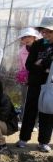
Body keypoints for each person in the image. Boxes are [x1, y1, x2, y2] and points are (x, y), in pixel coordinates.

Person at [17, 21, 53, 152]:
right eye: (43, 31)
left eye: (48, 31)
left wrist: (41, 62)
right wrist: (45, 66)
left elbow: (48, 66)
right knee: (29, 110)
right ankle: (23, 138)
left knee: (47, 113)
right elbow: (29, 65)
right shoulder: (37, 44)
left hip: (49, 85)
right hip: (34, 83)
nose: (45, 34)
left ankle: (43, 142)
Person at [15, 27, 39, 126]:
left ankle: (35, 123)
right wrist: (22, 76)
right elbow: (20, 66)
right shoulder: (21, 52)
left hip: (38, 79)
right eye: (24, 37)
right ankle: (23, 120)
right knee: (25, 100)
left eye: (29, 36)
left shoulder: (40, 49)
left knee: (36, 101)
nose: (27, 39)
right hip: (25, 79)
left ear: (34, 37)